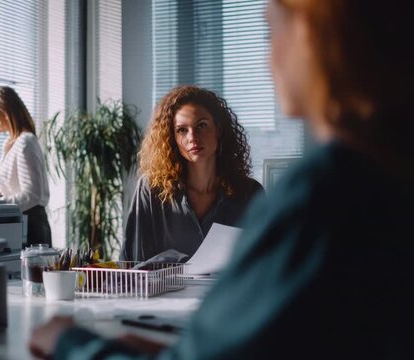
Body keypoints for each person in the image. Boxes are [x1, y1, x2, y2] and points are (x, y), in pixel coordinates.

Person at [29, 0, 414, 358]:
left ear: (312, 37)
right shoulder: (383, 176)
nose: (268, 59)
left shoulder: (318, 194)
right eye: (182, 131)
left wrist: (69, 342)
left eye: (271, 32)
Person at [121, 85, 263, 262]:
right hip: (164, 291)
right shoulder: (151, 189)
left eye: (201, 125)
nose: (193, 137)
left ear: (218, 129)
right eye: (182, 130)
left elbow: (264, 263)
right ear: (171, 136)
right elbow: (133, 264)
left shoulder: (250, 193)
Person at [0, 86, 52, 247]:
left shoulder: (26, 142)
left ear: (5, 110)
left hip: (32, 227)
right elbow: (15, 189)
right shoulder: (10, 143)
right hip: (17, 223)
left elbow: (33, 194)